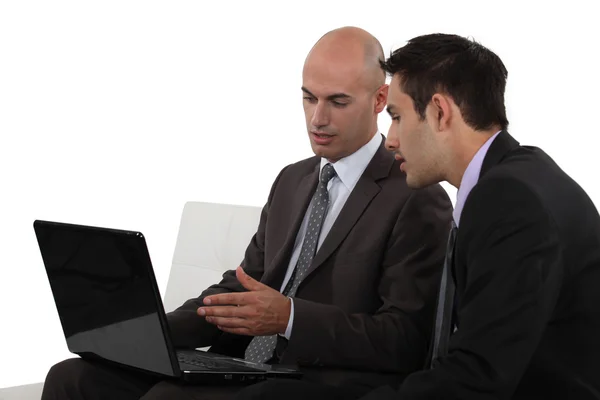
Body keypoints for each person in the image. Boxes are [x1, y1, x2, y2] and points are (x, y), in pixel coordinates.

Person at [40, 27, 453, 400]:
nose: (317, 118)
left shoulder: (416, 194)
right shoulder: (293, 180)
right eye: (308, 98)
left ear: (381, 98)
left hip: (323, 379)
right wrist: (147, 331)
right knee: (72, 379)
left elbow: (405, 339)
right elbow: (241, 288)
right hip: (244, 366)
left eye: (337, 102)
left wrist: (290, 318)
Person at [236, 32, 600, 400]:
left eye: (396, 117)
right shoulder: (518, 177)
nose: (390, 138)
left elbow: (476, 378)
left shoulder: (508, 201)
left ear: (440, 113)